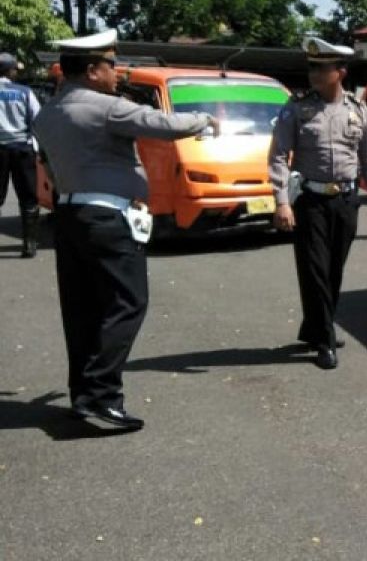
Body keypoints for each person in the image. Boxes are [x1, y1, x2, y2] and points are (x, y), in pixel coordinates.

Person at [33, 30, 219, 429]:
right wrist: (205, 118)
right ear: (92, 71)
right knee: (126, 303)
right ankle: (101, 398)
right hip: (106, 220)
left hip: (69, 217)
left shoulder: (48, 112)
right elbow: (164, 124)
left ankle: (84, 396)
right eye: (110, 65)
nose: (116, 72)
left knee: (82, 310)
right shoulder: (105, 107)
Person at [269, 37, 367, 370]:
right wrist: (282, 202)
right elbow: (278, 155)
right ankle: (324, 339)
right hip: (310, 200)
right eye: (311, 68)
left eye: (321, 69)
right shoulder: (297, 108)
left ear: (340, 72)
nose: (313, 74)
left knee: (333, 269)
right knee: (315, 269)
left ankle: (315, 327)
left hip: (346, 201)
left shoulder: (357, 110)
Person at [0, 53, 41, 257]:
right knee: (28, 197)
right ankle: (29, 244)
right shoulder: (25, 92)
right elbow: (38, 118)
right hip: (22, 149)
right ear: (10, 70)